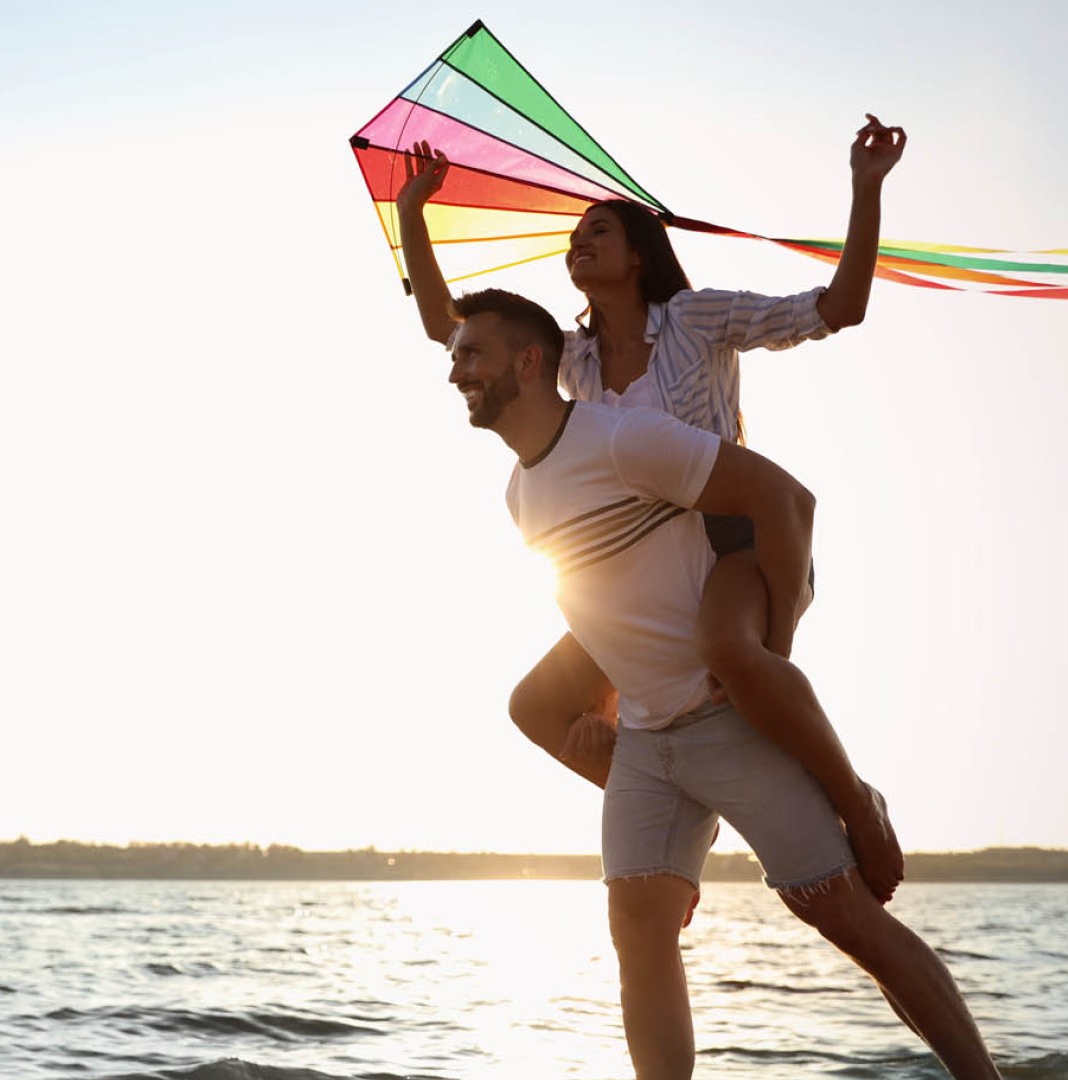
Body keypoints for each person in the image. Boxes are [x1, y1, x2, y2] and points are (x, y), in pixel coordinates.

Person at [443, 287, 999, 1078]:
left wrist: (771, 653)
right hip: (645, 742)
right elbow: (607, 612)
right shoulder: (519, 493)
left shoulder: (623, 439)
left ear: (528, 362)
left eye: (471, 354)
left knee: (842, 917)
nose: (455, 370)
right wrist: (603, 719)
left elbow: (785, 499)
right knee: (637, 929)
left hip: (724, 719)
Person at [395, 115, 908, 900]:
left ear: (640, 252)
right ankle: (672, 819)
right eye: (572, 238)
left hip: (736, 540)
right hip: (639, 576)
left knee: (734, 656)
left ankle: (853, 803)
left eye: (596, 231)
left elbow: (840, 306)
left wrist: (865, 187)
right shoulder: (572, 357)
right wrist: (413, 215)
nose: (578, 244)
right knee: (535, 706)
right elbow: (453, 329)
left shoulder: (699, 319)